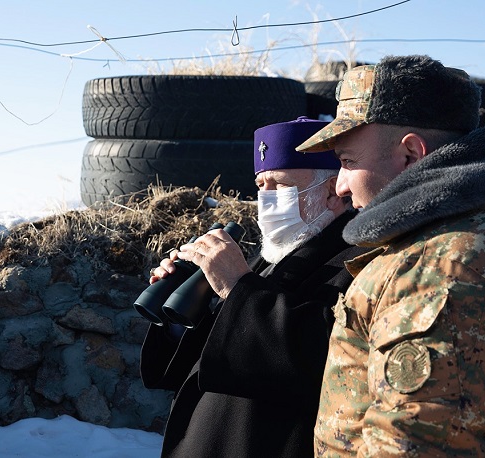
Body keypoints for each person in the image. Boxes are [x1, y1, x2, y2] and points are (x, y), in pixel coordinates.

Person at [296, 55, 485, 457]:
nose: (340, 186)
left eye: (349, 161)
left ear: (411, 154)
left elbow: (413, 445)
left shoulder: (440, 266)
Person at [139, 116, 367, 457]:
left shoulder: (356, 262)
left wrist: (236, 286)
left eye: (281, 185)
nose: (267, 199)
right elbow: (215, 354)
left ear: (334, 192)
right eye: (261, 185)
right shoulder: (269, 257)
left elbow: (320, 354)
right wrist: (179, 309)